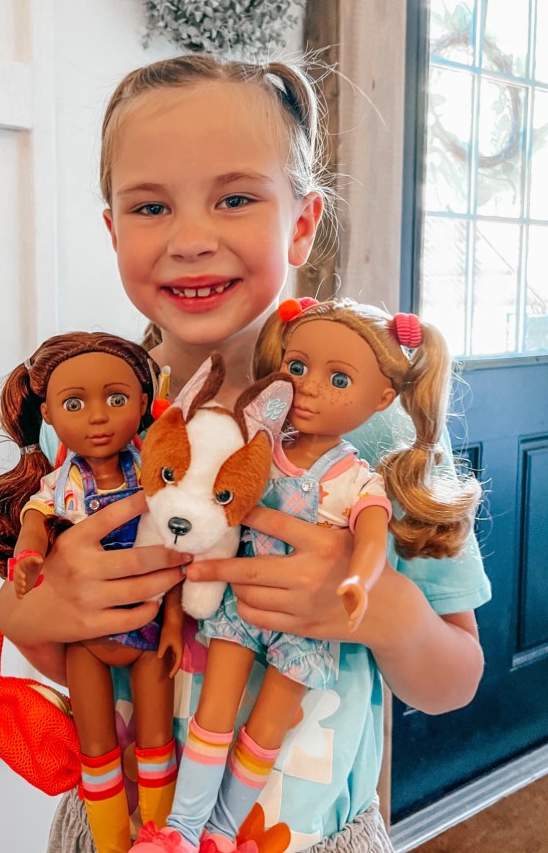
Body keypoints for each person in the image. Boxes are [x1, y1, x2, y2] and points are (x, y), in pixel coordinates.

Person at [0, 55, 491, 853]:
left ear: (302, 222)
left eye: (234, 198)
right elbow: (66, 650)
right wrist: (27, 609)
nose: (191, 239)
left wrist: (381, 606)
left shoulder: (380, 434)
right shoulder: (92, 419)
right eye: (151, 205)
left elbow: (452, 681)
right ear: (113, 228)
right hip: (116, 830)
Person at [135, 296, 481, 851]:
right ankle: (183, 828)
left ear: (384, 397)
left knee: (266, 729)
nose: (309, 388)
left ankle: (220, 832)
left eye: (338, 379)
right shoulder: (254, 447)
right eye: (297, 368)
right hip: (234, 612)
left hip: (308, 639)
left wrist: (365, 588)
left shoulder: (363, 478)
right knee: (213, 713)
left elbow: (372, 543)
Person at [0, 332, 183, 853]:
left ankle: (161, 834)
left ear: (144, 401)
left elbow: (179, 551)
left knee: (156, 740)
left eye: (116, 399)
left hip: (150, 629)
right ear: (46, 413)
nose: (98, 416)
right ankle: (110, 840)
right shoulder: (61, 485)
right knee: (97, 747)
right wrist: (28, 560)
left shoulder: (155, 470)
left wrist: (174, 620)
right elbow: (34, 524)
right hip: (88, 644)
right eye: (73, 404)